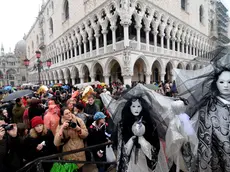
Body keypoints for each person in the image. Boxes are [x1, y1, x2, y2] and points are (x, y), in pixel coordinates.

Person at [176, 46, 230, 172]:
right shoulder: (207, 109)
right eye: (222, 82)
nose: (226, 86)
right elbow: (204, 146)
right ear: (215, 83)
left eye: (229, 82)